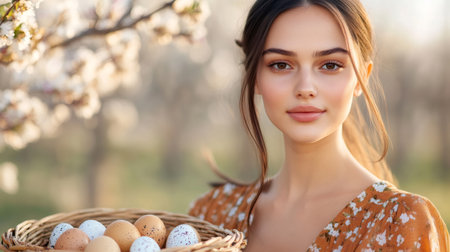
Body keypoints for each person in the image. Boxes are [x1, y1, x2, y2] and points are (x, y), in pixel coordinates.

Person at [188, 0, 450, 251]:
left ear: (361, 78)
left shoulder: (402, 224)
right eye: (280, 65)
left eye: (330, 65)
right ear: (254, 76)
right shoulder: (211, 215)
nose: (305, 88)